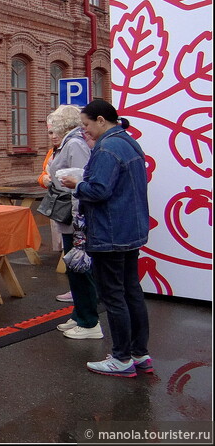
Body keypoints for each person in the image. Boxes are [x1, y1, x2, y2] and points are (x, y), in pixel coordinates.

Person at [61, 100, 152, 377]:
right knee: (131, 292)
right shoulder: (128, 141)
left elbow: (99, 190)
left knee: (114, 296)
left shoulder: (107, 147)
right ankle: (139, 354)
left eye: (87, 125)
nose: (85, 131)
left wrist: (78, 184)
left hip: (110, 232)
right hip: (130, 229)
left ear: (101, 120)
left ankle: (122, 358)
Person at [43, 105, 101, 339]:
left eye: (53, 127)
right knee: (74, 268)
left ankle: (89, 322)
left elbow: (81, 178)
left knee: (79, 268)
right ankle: (80, 315)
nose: (51, 133)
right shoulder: (72, 141)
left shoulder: (74, 143)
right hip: (71, 214)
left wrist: (55, 181)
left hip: (75, 216)